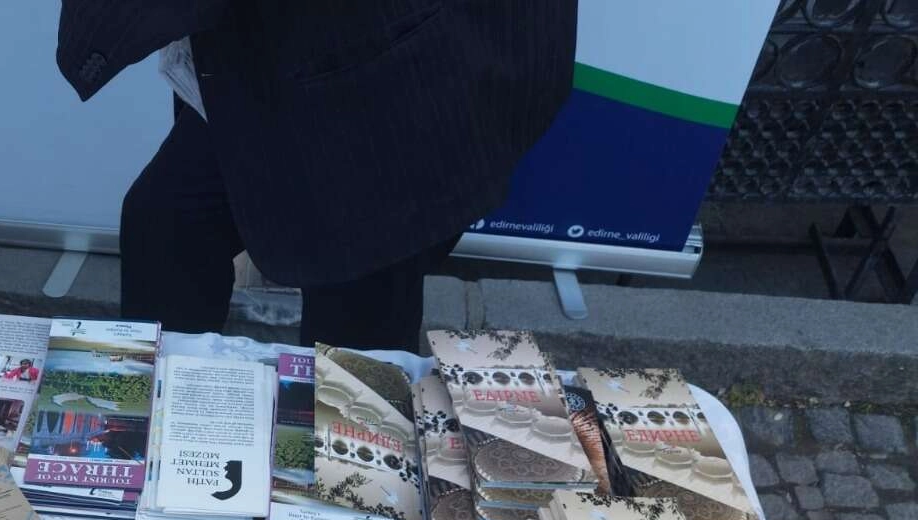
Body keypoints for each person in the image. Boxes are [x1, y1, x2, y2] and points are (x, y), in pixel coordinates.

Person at [56, 0, 577, 352]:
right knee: (165, 224)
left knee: (352, 330)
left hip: (388, 73)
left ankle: (355, 475)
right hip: (270, 54)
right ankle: (163, 426)